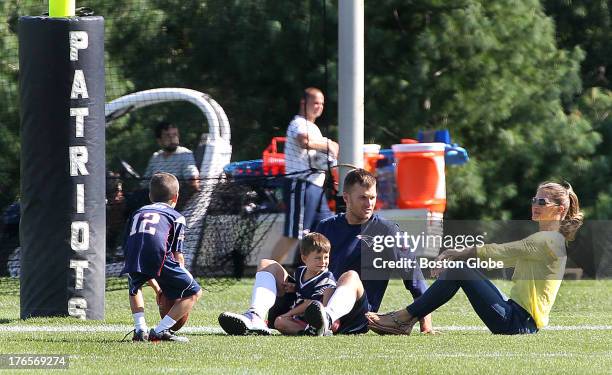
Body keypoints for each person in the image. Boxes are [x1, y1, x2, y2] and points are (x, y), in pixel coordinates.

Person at [218, 169, 433, 336]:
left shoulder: (387, 231)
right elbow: (308, 267)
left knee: (350, 276)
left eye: (372, 198)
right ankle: (256, 317)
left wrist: (426, 323)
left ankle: (327, 320)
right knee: (268, 265)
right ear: (346, 198)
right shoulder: (326, 226)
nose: (369, 204)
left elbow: (413, 279)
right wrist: (296, 284)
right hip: (312, 300)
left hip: (353, 313)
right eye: (363, 198)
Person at [366, 181, 583, 335]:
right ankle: (405, 320)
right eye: (534, 199)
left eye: (542, 202)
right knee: (461, 270)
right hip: (517, 315)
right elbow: (501, 258)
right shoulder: (548, 239)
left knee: (459, 269)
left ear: (560, 209)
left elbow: (500, 251)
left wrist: (454, 253)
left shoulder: (548, 240)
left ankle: (403, 318)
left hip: (519, 324)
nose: (535, 204)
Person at [122, 172, 202, 342]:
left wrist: (158, 288)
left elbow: (141, 255)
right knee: (194, 292)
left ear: (150, 195)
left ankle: (139, 329)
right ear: (176, 197)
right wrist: (180, 280)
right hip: (159, 256)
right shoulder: (176, 217)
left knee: (135, 288)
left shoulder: (137, 212)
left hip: (133, 254)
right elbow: (177, 254)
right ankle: (160, 330)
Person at [270, 87, 339, 262]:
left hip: (315, 186)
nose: (319, 107)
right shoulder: (298, 123)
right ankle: (267, 274)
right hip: (300, 184)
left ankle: (303, 273)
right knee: (294, 233)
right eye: (315, 102)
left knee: (322, 232)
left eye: (322, 103)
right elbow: (304, 141)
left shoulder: (313, 127)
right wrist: (329, 145)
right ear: (303, 103)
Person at [273, 233, 337, 335]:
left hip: (320, 320)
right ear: (304, 258)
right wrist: (294, 288)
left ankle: (320, 329)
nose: (323, 262)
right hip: (301, 319)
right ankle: (308, 332)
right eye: (318, 258)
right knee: (279, 322)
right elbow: (304, 290)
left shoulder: (326, 279)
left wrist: (289, 314)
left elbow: (311, 303)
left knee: (282, 318)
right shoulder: (300, 272)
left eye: (326, 257)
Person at [142, 122, 200, 193]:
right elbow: (144, 184)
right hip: (155, 200)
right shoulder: (155, 158)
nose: (172, 139)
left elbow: (193, 181)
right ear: (159, 141)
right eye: (167, 136)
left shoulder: (185, 154)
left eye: (175, 135)